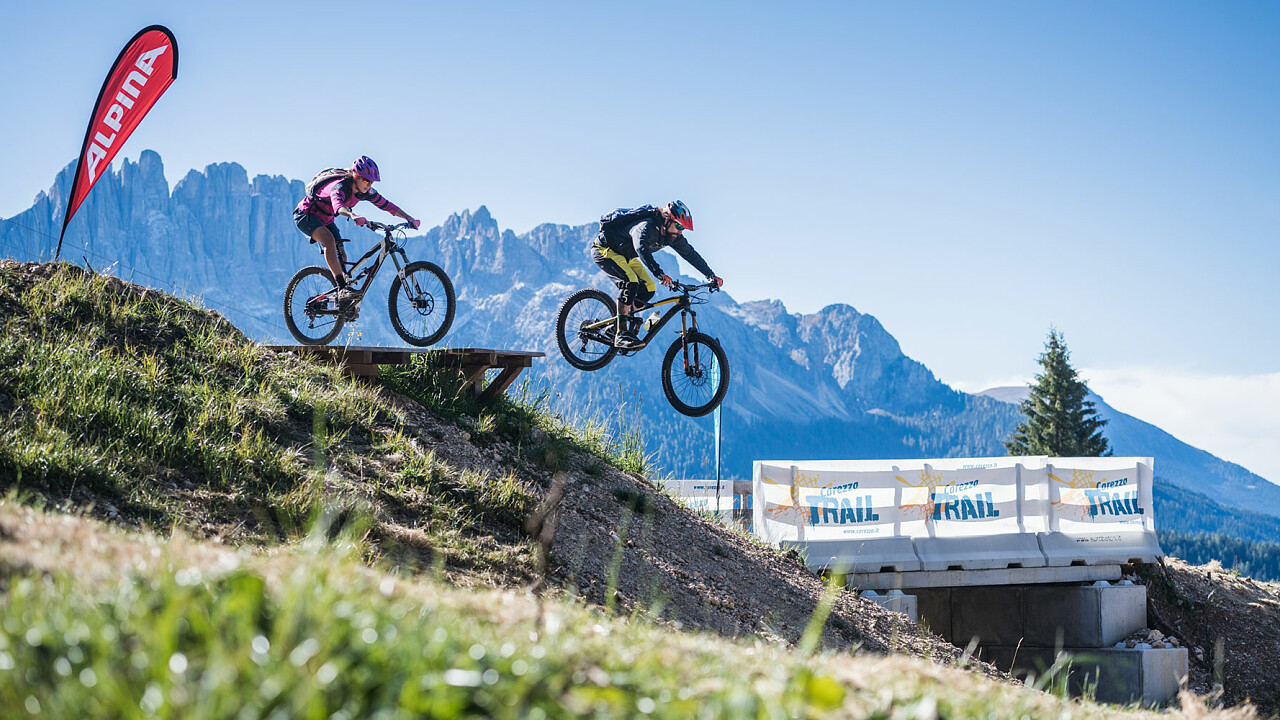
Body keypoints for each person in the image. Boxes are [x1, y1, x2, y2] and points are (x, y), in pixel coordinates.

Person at [591, 200, 723, 348]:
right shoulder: (646, 225)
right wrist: (659, 273)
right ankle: (621, 333)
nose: (680, 231)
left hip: (625, 256)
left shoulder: (673, 236)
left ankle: (615, 325)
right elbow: (641, 248)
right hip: (606, 250)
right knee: (631, 282)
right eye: (679, 226)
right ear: (667, 219)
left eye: (683, 228)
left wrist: (710, 275)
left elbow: (690, 254)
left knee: (649, 288)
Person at [293, 156, 420, 299]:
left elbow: (387, 206)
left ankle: (340, 302)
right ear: (356, 176)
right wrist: (353, 215)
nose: (369, 185)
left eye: (371, 182)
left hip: (325, 218)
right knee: (329, 241)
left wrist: (408, 218)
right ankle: (342, 288)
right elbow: (338, 206)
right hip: (305, 215)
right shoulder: (340, 186)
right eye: (366, 180)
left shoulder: (365, 192)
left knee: (341, 253)